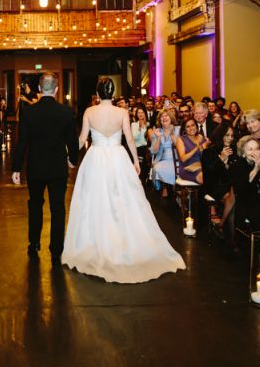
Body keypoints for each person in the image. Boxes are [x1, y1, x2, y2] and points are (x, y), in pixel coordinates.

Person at [62, 78, 186, 283]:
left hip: (96, 157)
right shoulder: (121, 112)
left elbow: (83, 139)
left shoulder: (89, 112)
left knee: (95, 198)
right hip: (118, 157)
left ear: (97, 92)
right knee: (123, 198)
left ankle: (97, 240)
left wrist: (70, 156)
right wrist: (134, 161)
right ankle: (123, 238)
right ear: (112, 93)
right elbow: (129, 138)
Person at [12, 73, 78, 265]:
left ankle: (34, 243)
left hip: (36, 167)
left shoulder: (29, 112)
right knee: (58, 208)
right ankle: (56, 249)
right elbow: (72, 142)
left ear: (40, 89)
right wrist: (72, 160)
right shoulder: (66, 112)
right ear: (56, 90)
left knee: (35, 205)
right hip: (57, 167)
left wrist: (16, 168)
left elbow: (22, 142)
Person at [202, 126, 238, 238]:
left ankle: (223, 227)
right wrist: (221, 159)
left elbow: (234, 174)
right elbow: (209, 174)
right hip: (214, 186)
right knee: (232, 196)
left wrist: (228, 165)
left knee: (233, 195)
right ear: (220, 135)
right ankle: (230, 237)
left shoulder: (234, 151)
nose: (230, 138)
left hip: (230, 185)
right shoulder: (208, 152)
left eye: (232, 135)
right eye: (227, 135)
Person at [149, 111, 178, 196]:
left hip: (176, 158)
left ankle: (175, 187)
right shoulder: (157, 132)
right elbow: (154, 151)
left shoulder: (177, 129)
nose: (164, 118)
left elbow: (179, 145)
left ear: (171, 118)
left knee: (176, 169)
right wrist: (158, 138)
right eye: (162, 116)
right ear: (159, 120)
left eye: (166, 116)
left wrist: (172, 133)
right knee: (157, 168)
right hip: (162, 159)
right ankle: (165, 186)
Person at [175, 118, 206, 185]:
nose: (191, 128)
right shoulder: (181, 139)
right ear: (184, 129)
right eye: (188, 126)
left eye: (193, 125)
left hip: (201, 166)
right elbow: (183, 159)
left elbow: (204, 156)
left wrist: (204, 145)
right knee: (206, 178)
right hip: (187, 169)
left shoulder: (200, 137)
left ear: (196, 126)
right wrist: (196, 147)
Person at [131, 107, 150, 183]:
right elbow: (134, 138)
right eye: (138, 113)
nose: (140, 114)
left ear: (145, 113)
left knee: (147, 153)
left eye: (142, 112)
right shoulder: (134, 124)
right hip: (138, 148)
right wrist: (139, 127)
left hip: (147, 148)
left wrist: (145, 126)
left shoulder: (149, 124)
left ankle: (144, 178)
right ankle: (142, 178)